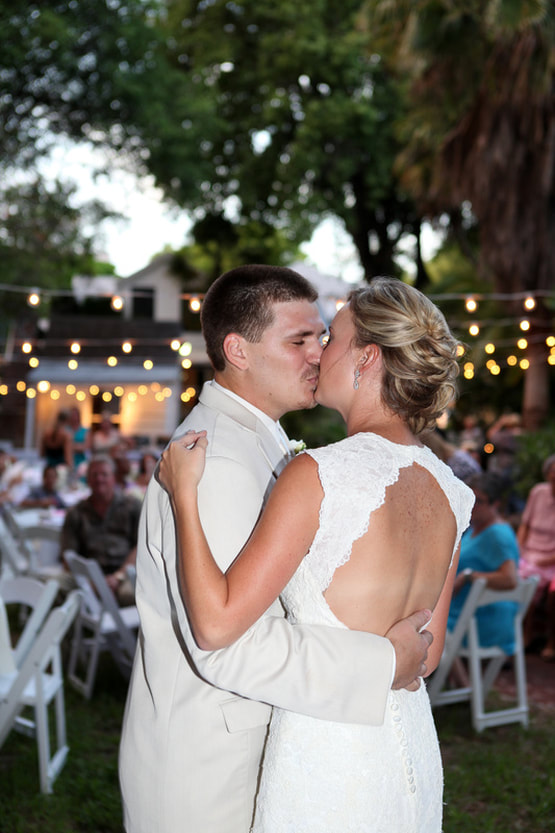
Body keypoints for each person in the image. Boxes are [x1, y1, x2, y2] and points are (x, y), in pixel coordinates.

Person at [119, 266, 436, 833]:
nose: (319, 354)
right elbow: (227, 646)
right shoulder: (214, 459)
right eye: (299, 341)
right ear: (237, 350)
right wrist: (385, 662)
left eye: (320, 337)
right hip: (212, 775)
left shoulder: (264, 446)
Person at [447, 472, 519, 680]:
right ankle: (460, 689)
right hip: (468, 614)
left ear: (496, 504)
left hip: (482, 621)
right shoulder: (476, 528)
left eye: (480, 501)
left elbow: (510, 579)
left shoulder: (497, 534)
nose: (473, 505)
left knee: (426, 621)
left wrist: (468, 576)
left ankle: (462, 689)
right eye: (470, 497)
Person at [60, 455, 141, 604]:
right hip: (87, 575)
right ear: (88, 479)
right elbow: (68, 556)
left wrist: (118, 577)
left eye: (104, 474)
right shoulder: (76, 513)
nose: (99, 479)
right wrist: (92, 582)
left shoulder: (132, 506)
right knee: (55, 584)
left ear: (114, 478)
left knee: (130, 594)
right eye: (94, 475)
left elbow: (141, 546)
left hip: (125, 572)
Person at [517, 453, 555, 661]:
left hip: (551, 559)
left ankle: (550, 641)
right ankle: (524, 634)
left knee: (553, 592)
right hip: (531, 554)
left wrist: (546, 560)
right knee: (522, 578)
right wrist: (519, 548)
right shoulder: (538, 492)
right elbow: (525, 524)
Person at [68, 406, 88, 472]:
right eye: (72, 415)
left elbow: (85, 447)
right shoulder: (65, 430)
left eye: (75, 415)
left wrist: (69, 446)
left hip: (81, 462)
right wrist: (78, 446)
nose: (73, 417)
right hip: (67, 460)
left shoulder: (85, 431)